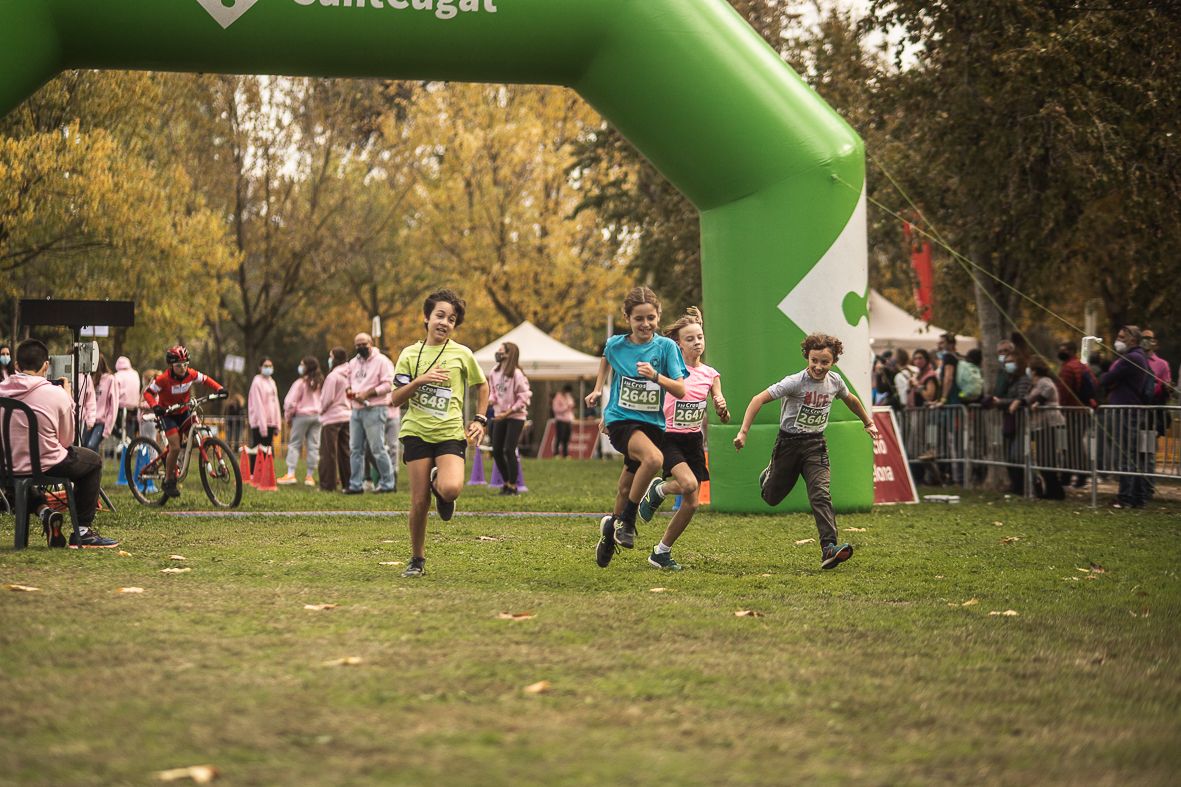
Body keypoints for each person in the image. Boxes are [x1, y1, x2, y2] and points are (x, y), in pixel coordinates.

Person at [733, 332, 878, 570]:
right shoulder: (795, 382)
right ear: (807, 357)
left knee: (820, 493)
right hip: (788, 444)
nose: (819, 367)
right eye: (814, 361)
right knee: (771, 497)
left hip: (815, 445)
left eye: (825, 362)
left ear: (833, 362)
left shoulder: (835, 382)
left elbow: (850, 399)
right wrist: (743, 432)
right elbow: (757, 399)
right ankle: (769, 475)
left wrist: (868, 422)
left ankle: (829, 547)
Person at [390, 289, 488, 577]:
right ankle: (417, 559)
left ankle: (441, 488)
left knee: (451, 488)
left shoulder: (462, 354)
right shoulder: (409, 354)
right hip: (416, 433)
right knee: (419, 502)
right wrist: (421, 380)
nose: (445, 322)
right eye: (440, 316)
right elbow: (395, 399)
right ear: (427, 318)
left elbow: (482, 386)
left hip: (449, 434)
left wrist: (480, 419)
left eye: (452, 319)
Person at [587, 286, 687, 568]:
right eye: (639, 319)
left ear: (658, 317)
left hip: (651, 425)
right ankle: (628, 522)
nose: (645, 324)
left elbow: (680, 389)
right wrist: (597, 390)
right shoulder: (617, 344)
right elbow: (606, 357)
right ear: (627, 318)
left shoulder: (666, 348)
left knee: (624, 488)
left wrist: (656, 376)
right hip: (620, 420)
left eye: (651, 318)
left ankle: (609, 534)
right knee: (654, 459)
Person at [635, 307, 730, 570]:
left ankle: (661, 552)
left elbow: (723, 415)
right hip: (668, 438)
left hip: (693, 440)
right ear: (678, 344)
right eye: (690, 339)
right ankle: (660, 489)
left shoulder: (711, 374)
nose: (697, 342)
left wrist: (721, 406)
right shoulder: (669, 370)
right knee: (688, 485)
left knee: (692, 502)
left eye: (700, 337)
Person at [0, 339, 118, 548]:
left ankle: (45, 512)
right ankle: (82, 531)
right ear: (46, 365)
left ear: (16, 365)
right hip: (48, 463)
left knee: (19, 479)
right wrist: (67, 397)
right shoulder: (55, 394)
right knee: (93, 462)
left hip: (8, 466)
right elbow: (66, 440)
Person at [143, 346, 228, 498]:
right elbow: (148, 393)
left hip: (185, 411)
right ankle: (169, 481)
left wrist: (219, 388)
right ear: (171, 366)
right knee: (175, 447)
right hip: (168, 414)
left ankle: (220, 464)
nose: (182, 368)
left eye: (185, 364)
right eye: (178, 366)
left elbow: (206, 380)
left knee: (203, 432)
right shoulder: (163, 379)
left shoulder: (191, 373)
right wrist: (155, 406)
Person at [1100, 326, 1152, 509]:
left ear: (1132, 340)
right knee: (1130, 455)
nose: (1118, 340)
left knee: (1126, 456)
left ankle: (1126, 498)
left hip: (1126, 411)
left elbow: (1106, 379)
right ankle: (1136, 497)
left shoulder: (1131, 358)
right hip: (1128, 410)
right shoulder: (1138, 357)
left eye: (1122, 337)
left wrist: (1105, 376)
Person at [345, 333, 397, 495]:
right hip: (356, 409)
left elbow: (389, 384)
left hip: (375, 408)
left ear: (371, 343)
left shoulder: (382, 361)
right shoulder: (353, 363)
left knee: (377, 448)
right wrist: (350, 391)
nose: (361, 348)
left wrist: (367, 394)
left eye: (364, 344)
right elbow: (348, 381)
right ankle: (355, 485)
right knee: (355, 448)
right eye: (357, 345)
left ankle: (388, 483)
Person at [1011, 357, 1066, 500]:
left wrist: (1039, 402)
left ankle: (1056, 491)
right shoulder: (1034, 384)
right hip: (1039, 424)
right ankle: (1051, 490)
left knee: (1047, 459)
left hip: (1048, 423)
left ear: (1034, 370)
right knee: (1042, 460)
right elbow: (1029, 398)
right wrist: (1020, 402)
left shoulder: (1044, 381)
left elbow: (1048, 390)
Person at [488, 341, 532, 495]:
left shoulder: (517, 374)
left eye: (501, 351)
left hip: (516, 416)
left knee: (509, 449)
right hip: (500, 415)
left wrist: (508, 411)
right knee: (497, 450)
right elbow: (493, 390)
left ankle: (513, 485)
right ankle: (506, 482)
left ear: (509, 354)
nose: (498, 353)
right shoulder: (494, 371)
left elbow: (525, 397)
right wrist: (491, 400)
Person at [278, 356, 323, 486]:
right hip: (317, 417)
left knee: (295, 444)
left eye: (302, 364)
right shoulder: (320, 382)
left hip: (301, 416)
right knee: (314, 446)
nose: (300, 367)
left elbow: (290, 402)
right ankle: (310, 476)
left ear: (306, 367)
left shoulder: (300, 383)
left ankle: (291, 473)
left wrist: (288, 417)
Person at [318, 347, 352, 492]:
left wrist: (321, 410)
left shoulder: (333, 376)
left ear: (335, 359)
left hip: (332, 418)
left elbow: (327, 399)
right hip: (347, 415)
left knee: (328, 453)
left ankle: (328, 485)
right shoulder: (349, 374)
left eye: (330, 356)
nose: (329, 359)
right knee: (345, 452)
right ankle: (348, 483)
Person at [247, 357, 281, 476]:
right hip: (259, 422)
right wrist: (262, 425)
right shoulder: (257, 382)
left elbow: (275, 403)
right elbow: (258, 405)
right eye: (266, 366)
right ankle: (252, 473)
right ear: (260, 368)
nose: (268, 368)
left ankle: (267, 474)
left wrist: (277, 423)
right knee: (257, 448)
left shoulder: (272, 382)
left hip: (271, 422)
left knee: (268, 449)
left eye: (270, 366)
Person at [84, 354, 120, 453]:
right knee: (85, 448)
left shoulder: (110, 379)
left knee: (91, 446)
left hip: (101, 422)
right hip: (88, 421)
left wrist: (108, 428)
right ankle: (94, 468)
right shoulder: (88, 378)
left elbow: (114, 405)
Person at [113, 355, 141, 439]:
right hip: (134, 406)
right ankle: (130, 444)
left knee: (117, 428)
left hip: (121, 406)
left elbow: (115, 392)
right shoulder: (135, 373)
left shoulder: (117, 375)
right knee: (130, 430)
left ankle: (123, 440)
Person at [552, 385, 575, 457]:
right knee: (559, 437)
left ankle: (565, 454)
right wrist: (565, 408)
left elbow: (571, 405)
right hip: (560, 420)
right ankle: (556, 453)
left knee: (567, 438)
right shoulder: (557, 397)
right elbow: (555, 409)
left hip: (568, 420)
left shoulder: (569, 397)